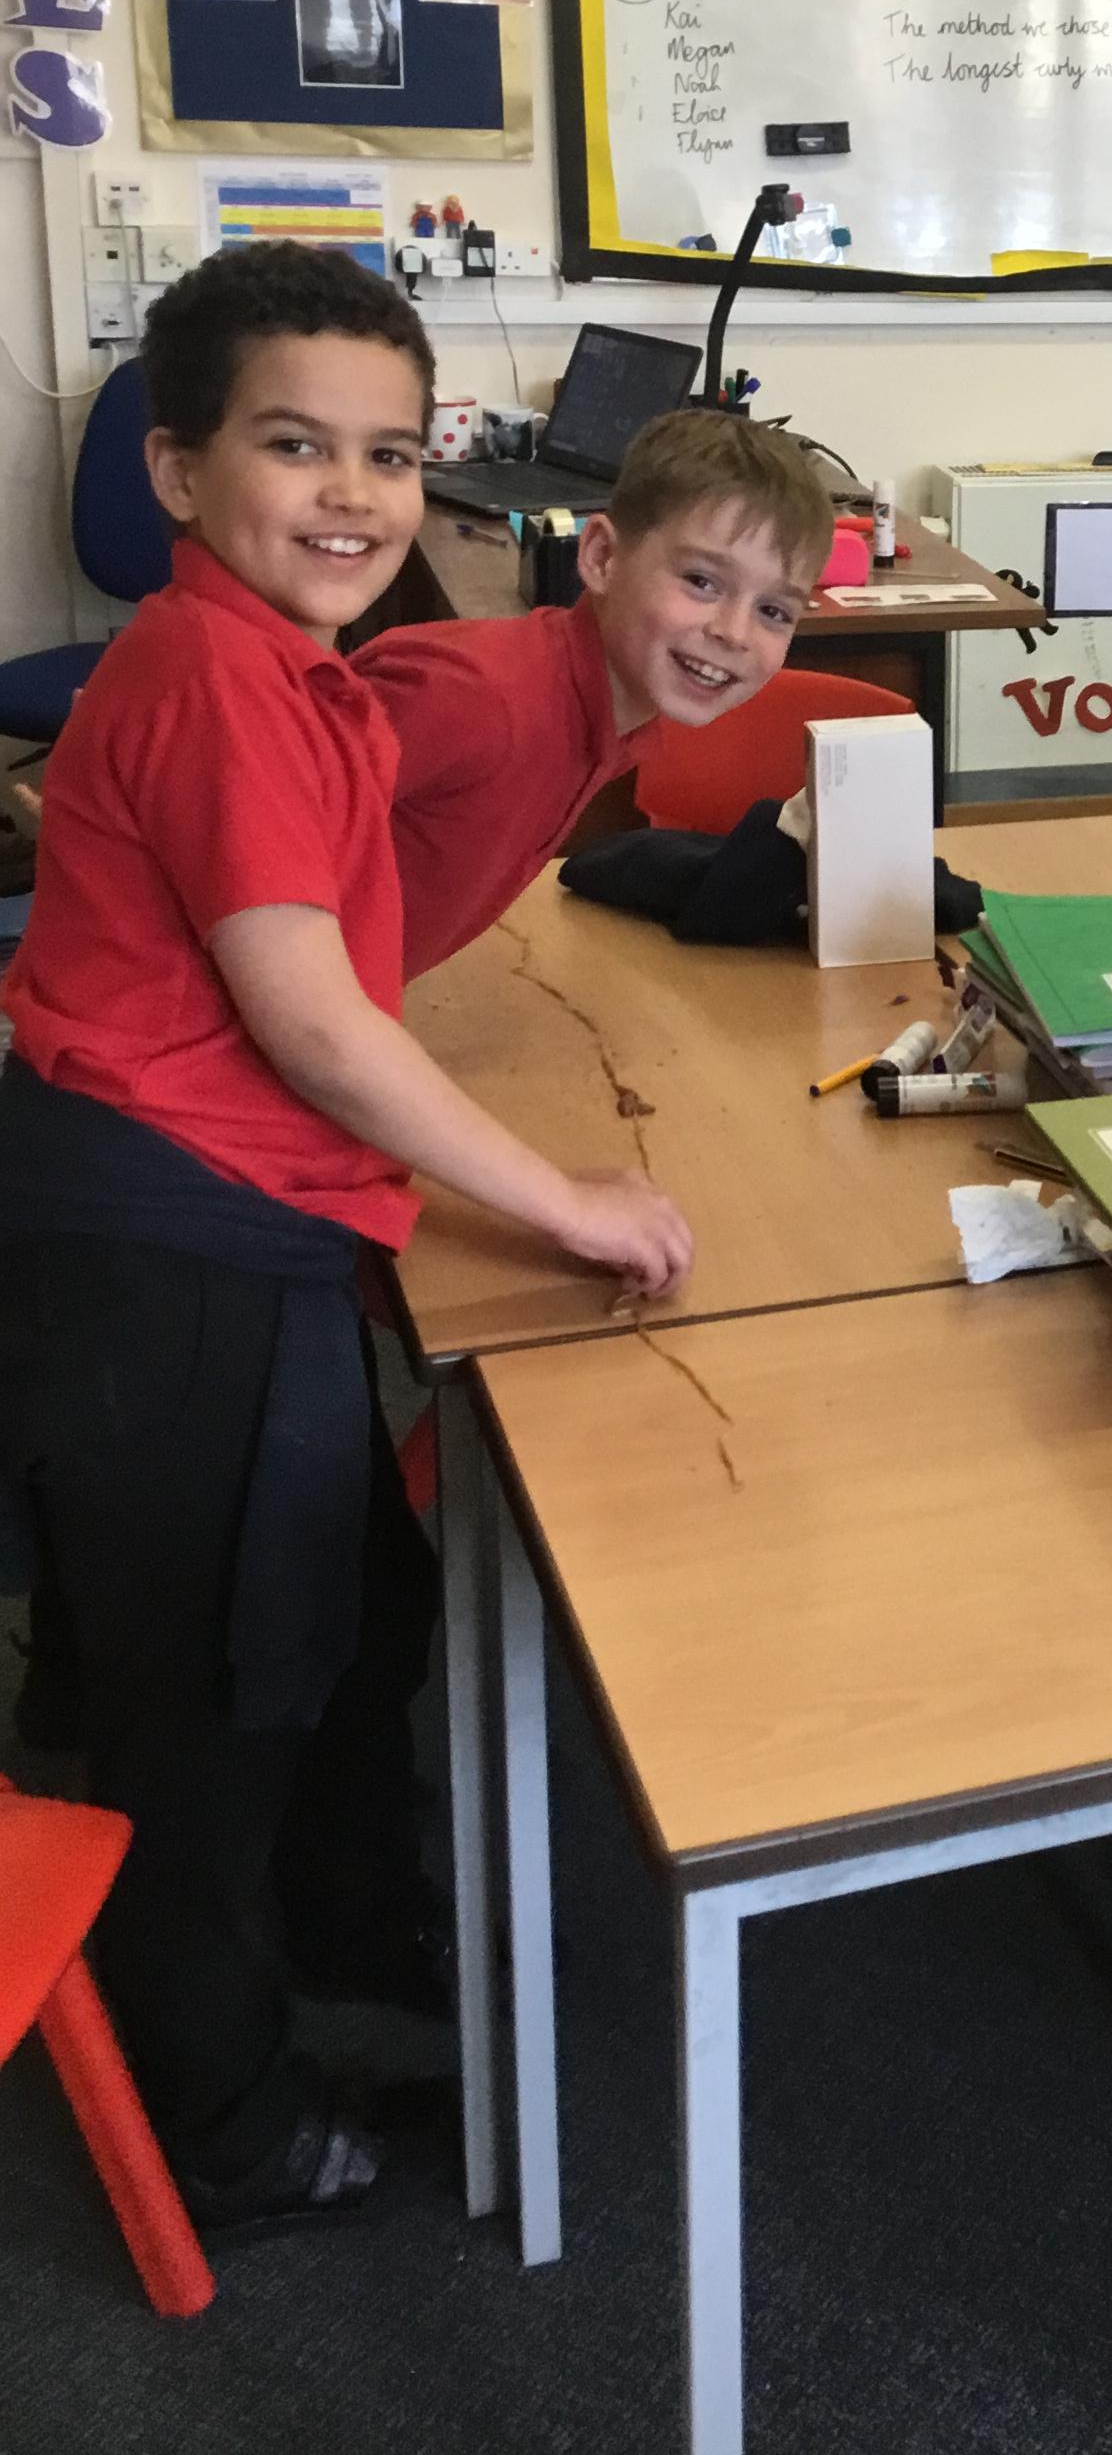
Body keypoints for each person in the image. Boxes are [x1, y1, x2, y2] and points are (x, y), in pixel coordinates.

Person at [0, 246, 692, 2237]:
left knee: (349, 1613)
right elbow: (309, 1021)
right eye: (295, 445)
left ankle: (337, 1923)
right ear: (179, 467)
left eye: (392, 453)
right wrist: (559, 1198)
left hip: (226, 1216)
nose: (355, 493)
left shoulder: (266, 665)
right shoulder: (225, 680)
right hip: (172, 1239)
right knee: (203, 1719)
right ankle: (223, 2126)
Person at [358, 405, 836, 979]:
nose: (733, 633)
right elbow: (261, 846)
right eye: (701, 581)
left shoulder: (616, 720)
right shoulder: (477, 698)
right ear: (602, 557)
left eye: (773, 611)